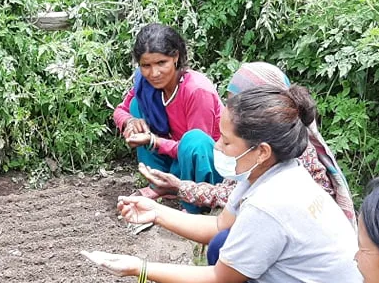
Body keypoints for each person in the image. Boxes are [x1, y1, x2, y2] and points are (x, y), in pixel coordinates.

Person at [85, 74, 364, 283]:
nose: (217, 147)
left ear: (261, 150)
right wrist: (156, 212)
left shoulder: (272, 202)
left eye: (227, 142)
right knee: (222, 246)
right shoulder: (270, 172)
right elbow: (219, 225)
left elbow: (220, 281)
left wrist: (139, 268)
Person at [137, 62, 355, 223]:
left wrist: (178, 190)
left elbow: (229, 200)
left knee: (220, 243)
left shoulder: (291, 159)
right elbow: (232, 193)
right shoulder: (263, 153)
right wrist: (179, 188)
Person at [112, 23, 222, 212]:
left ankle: (195, 206)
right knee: (136, 106)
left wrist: (154, 141)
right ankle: (161, 184)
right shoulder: (146, 85)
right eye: (146, 66)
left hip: (208, 168)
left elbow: (196, 148)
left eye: (161, 63)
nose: (154, 73)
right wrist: (130, 123)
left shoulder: (196, 91)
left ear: (176, 57)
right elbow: (120, 111)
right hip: (175, 154)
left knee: (194, 140)